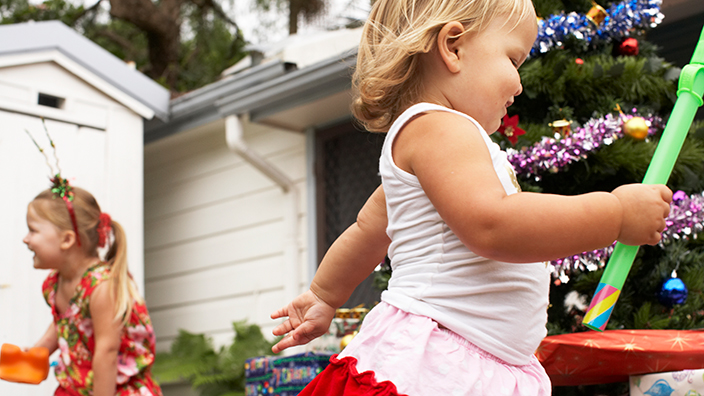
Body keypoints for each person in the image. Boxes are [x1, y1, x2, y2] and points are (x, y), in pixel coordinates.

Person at [270, 0, 672, 393]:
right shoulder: (439, 128)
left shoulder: (440, 141)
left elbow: (368, 231)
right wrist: (616, 214)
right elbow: (493, 226)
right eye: (513, 61)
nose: (519, 83)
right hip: (439, 360)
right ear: (453, 47)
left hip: (472, 359)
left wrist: (325, 295)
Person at [23, 180, 163, 396]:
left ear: (67, 239)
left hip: (116, 389)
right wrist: (38, 350)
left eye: (33, 231)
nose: (26, 239)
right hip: (78, 386)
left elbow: (107, 352)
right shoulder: (55, 283)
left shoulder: (101, 287)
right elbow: (65, 323)